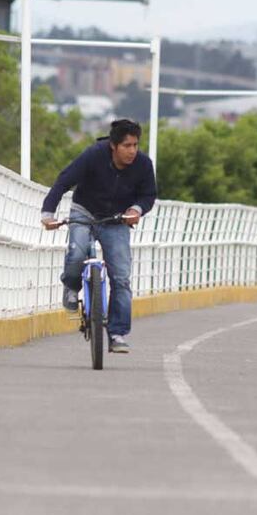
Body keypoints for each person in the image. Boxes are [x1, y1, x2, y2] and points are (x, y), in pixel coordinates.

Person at [41, 119, 157, 354]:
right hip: (84, 212)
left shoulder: (143, 164)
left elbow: (148, 194)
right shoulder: (93, 155)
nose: (132, 151)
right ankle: (71, 286)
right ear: (113, 146)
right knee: (76, 253)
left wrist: (136, 209)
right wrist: (47, 214)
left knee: (121, 277)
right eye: (127, 145)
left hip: (117, 219)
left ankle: (117, 333)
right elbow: (64, 180)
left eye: (135, 145)